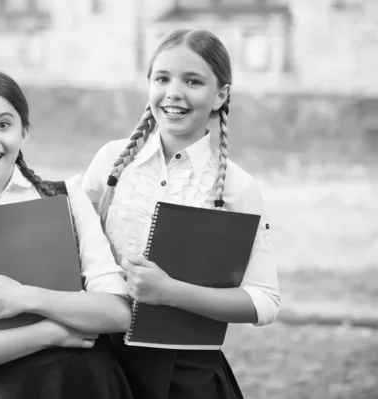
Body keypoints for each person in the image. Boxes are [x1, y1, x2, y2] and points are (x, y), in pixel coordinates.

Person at [82, 29, 281, 399]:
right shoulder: (111, 162)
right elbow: (68, 243)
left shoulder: (236, 187)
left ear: (220, 95)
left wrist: (170, 292)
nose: (174, 92)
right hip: (101, 365)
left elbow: (264, 301)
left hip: (186, 376)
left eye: (192, 81)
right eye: (162, 78)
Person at [0, 70, 134, 399]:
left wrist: (26, 299)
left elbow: (117, 313)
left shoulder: (68, 197)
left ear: (24, 132)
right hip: (13, 390)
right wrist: (52, 332)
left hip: (93, 383)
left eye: (3, 124)